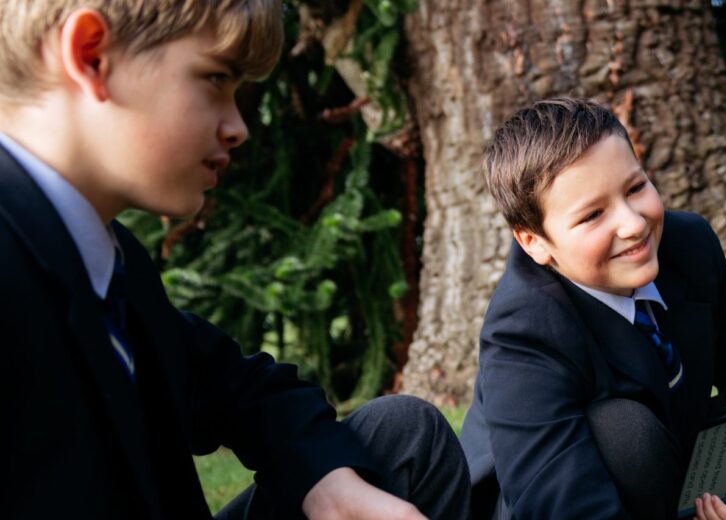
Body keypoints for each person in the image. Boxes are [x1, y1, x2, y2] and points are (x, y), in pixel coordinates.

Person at [0, 1, 469, 518]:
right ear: (91, 56)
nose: (237, 127)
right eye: (216, 78)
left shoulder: (109, 258)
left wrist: (327, 482)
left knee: (403, 434)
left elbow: (235, 387)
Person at [458, 98, 726, 520]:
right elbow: (555, 500)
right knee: (625, 433)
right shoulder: (524, 329)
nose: (632, 224)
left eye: (635, 188)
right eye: (592, 215)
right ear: (533, 242)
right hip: (573, 495)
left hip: (681, 470)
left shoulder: (688, 243)